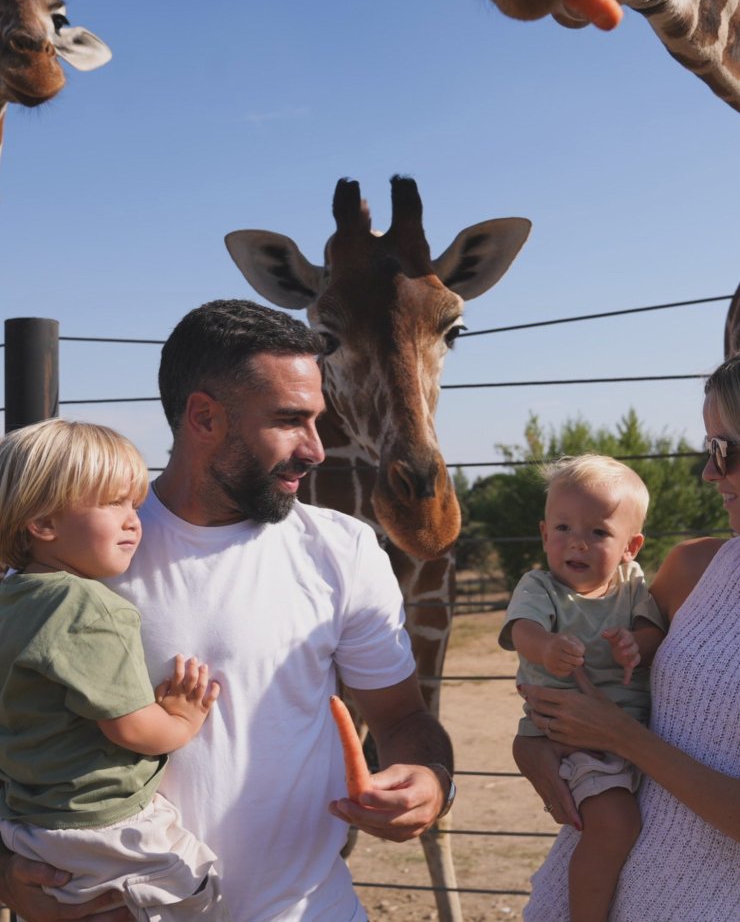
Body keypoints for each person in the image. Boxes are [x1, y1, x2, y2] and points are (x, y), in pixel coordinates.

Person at [0, 300, 455, 922]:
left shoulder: (342, 550)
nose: (316, 449)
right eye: (291, 420)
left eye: (318, 421)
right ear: (205, 417)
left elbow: (404, 716)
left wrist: (430, 781)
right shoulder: (65, 563)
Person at [513, 355, 740, 920]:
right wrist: (532, 745)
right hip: (597, 896)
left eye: (725, 450)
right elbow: (591, 661)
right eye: (708, 449)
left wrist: (624, 738)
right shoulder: (696, 567)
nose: (709, 473)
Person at [0, 419, 228, 920]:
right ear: (43, 524)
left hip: (30, 820)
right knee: (195, 895)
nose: (134, 520)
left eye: (134, 503)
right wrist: (182, 717)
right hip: (104, 821)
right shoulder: (89, 608)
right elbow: (130, 728)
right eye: (113, 503)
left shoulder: (11, 602)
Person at [498, 454, 665, 922]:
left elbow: (650, 631)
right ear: (544, 533)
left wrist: (636, 645)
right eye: (564, 528)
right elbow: (522, 631)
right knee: (616, 824)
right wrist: (546, 647)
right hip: (568, 735)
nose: (577, 543)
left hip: (623, 731)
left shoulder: (632, 585)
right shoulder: (541, 587)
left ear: (631, 546)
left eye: (597, 533)